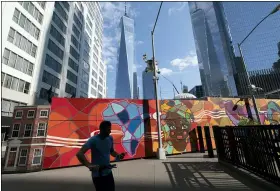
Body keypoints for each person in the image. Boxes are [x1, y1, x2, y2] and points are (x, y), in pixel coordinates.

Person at [76, 120, 126, 191]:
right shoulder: (93, 140)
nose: (110, 131)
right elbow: (79, 154)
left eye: (110, 129)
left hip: (108, 172)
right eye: (108, 130)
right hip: (98, 175)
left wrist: (118, 155)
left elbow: (111, 151)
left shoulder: (110, 138)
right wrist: (89, 165)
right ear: (102, 129)